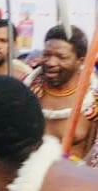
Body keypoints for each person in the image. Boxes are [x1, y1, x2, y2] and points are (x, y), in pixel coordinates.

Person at [24, 24, 97, 161]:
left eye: (61, 57)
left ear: (80, 61)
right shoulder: (25, 94)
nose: (51, 62)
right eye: (46, 54)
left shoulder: (93, 102)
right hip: (30, 179)